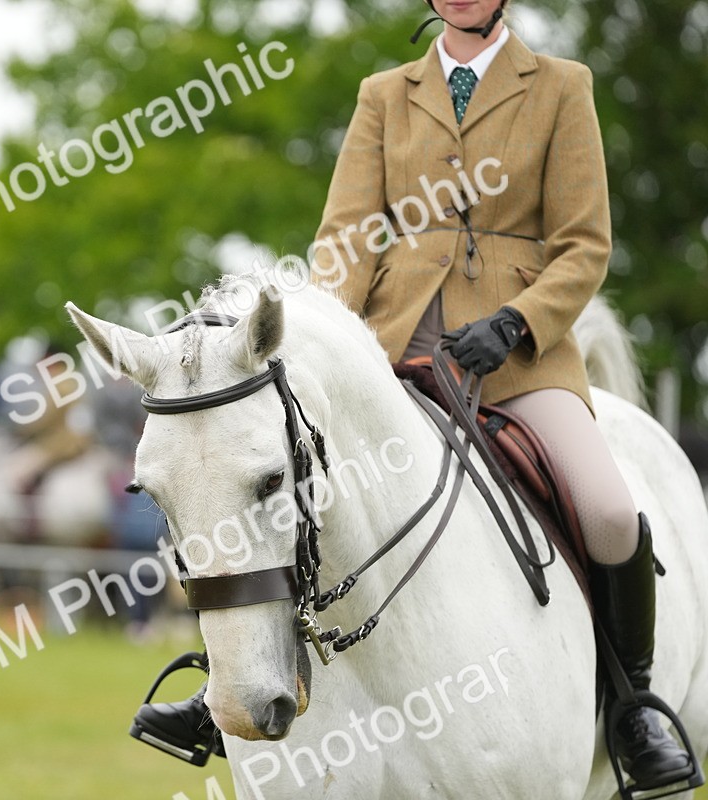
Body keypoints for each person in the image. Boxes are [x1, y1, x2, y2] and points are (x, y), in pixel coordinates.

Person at [130, 2, 701, 793]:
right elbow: (343, 242)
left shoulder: (563, 86)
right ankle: (228, 684)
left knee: (607, 511)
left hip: (518, 365)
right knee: (284, 489)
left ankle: (634, 706)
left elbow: (584, 245)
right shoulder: (385, 94)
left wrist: (517, 322)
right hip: (392, 355)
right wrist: (325, 346)